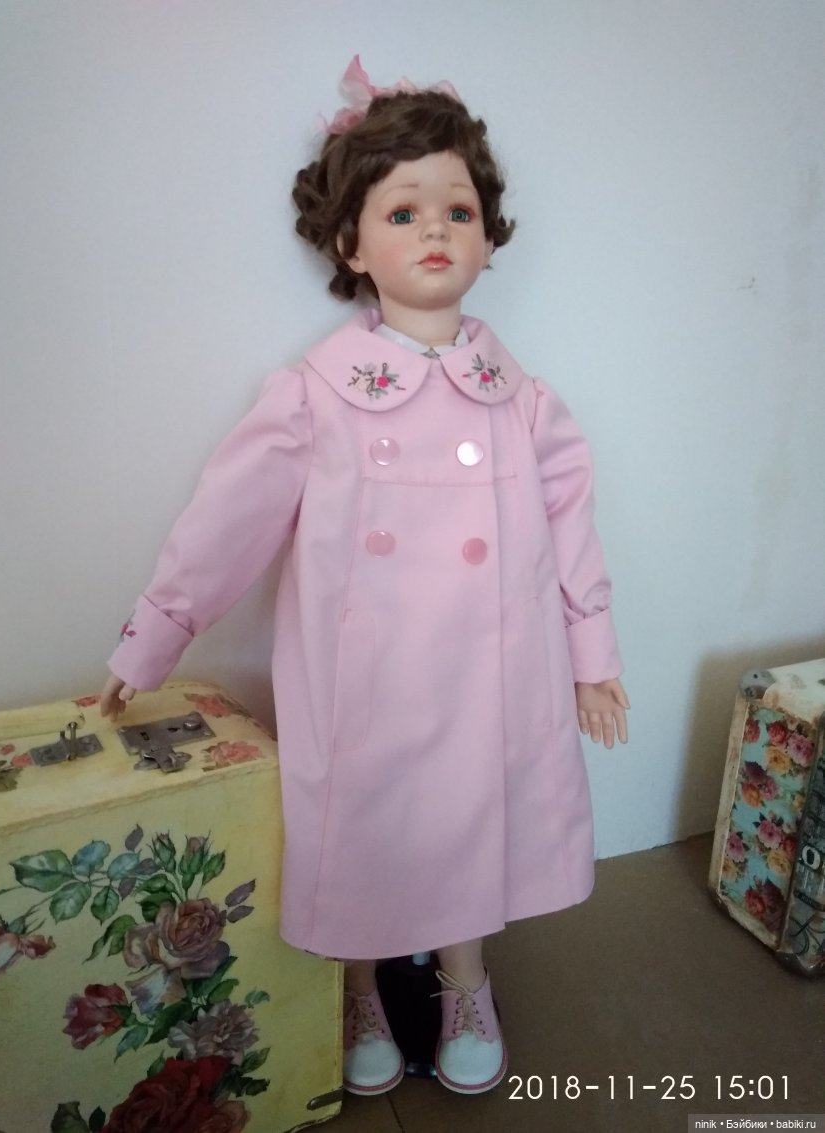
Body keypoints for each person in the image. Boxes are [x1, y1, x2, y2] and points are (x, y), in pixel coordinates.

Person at [100, 57, 629, 1098]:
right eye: (402, 210)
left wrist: (593, 657)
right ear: (351, 244)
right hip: (366, 681)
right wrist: (152, 635)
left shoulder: (522, 402)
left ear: (487, 237)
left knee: (477, 825)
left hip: (494, 675)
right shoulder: (316, 397)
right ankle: (359, 988)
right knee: (366, 833)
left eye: (458, 210)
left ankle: (465, 980)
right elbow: (224, 525)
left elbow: (574, 530)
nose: (436, 230)